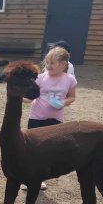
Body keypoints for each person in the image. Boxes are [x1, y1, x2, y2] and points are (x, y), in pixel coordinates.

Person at [22, 46, 77, 191]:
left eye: (52, 63)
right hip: (36, 118)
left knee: (47, 150)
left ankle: (39, 179)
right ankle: (28, 178)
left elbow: (72, 97)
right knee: (32, 148)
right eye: (47, 62)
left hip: (55, 121)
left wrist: (63, 102)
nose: (48, 65)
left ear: (63, 64)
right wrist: (20, 97)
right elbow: (29, 97)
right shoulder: (40, 78)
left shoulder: (70, 80)